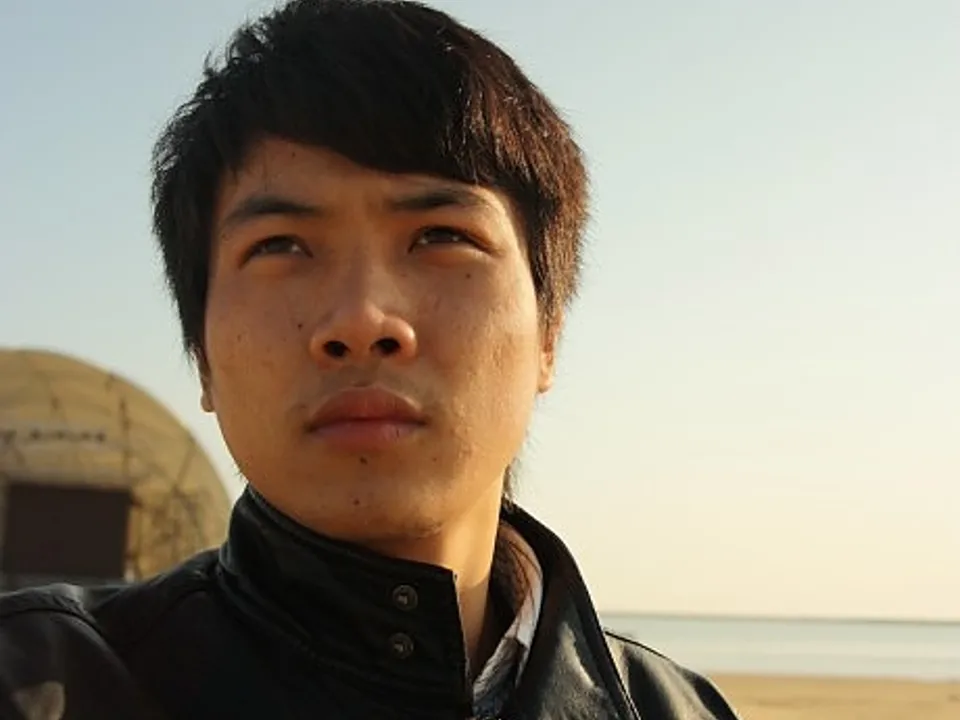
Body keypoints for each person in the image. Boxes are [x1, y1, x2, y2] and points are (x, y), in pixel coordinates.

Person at [0, 1, 741, 718]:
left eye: (441, 237)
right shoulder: (37, 684)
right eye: (280, 246)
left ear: (549, 333)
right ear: (202, 356)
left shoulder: (676, 709)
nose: (360, 321)